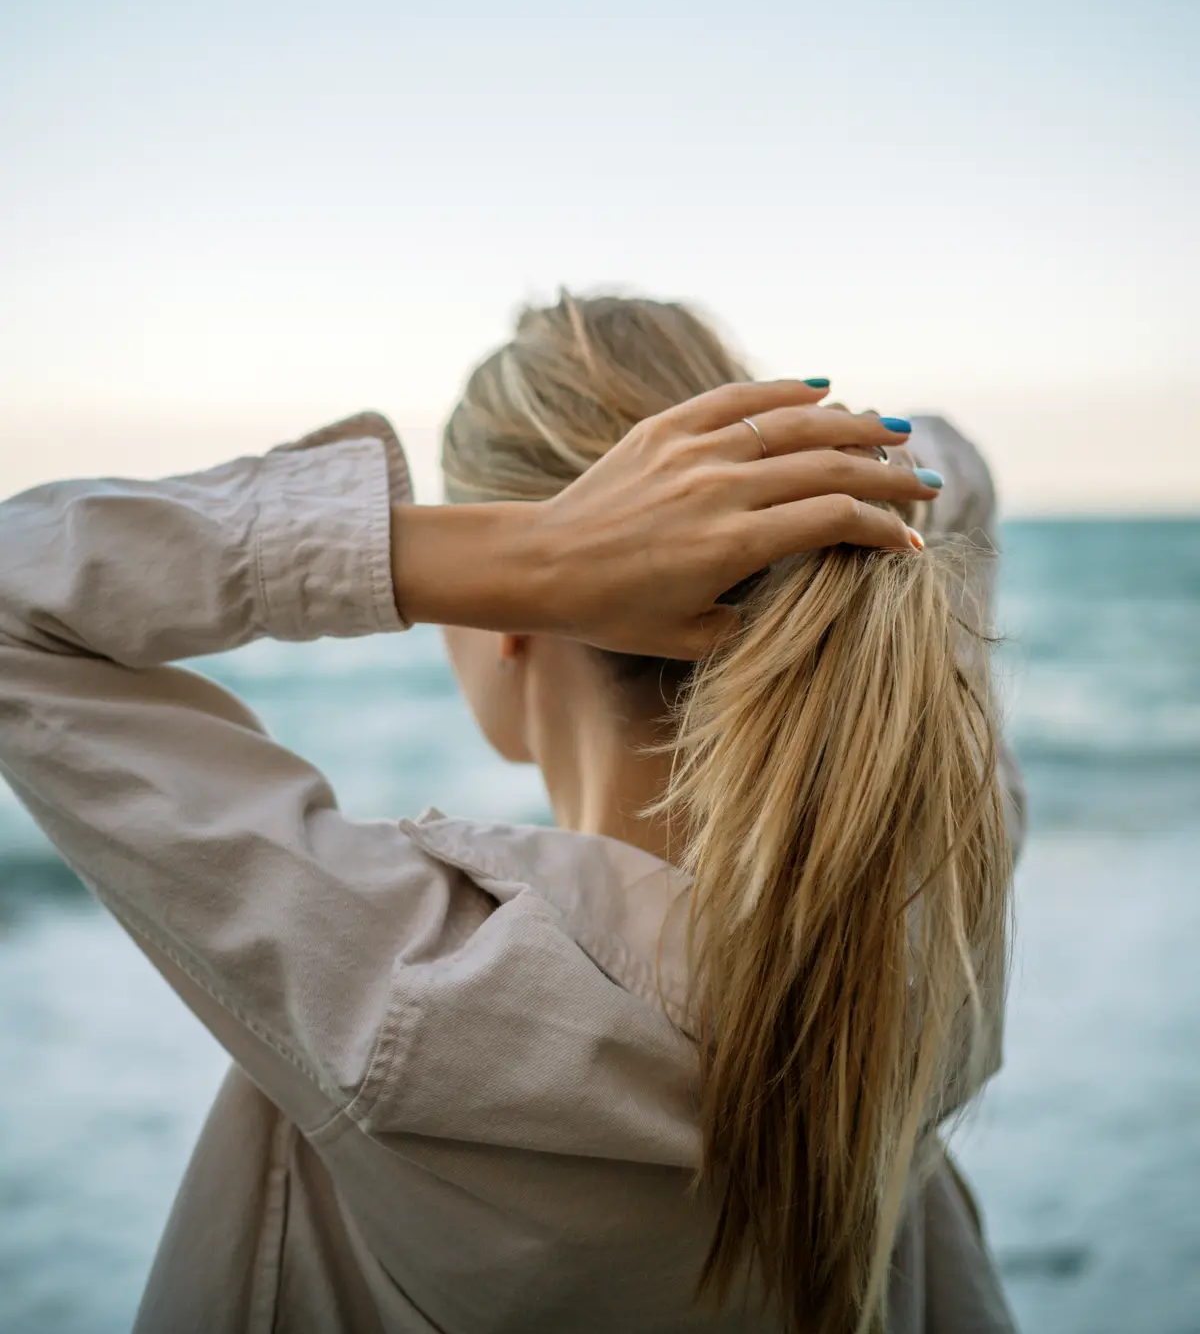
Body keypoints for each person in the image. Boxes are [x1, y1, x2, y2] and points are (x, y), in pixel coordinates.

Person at [0, 290, 1023, 1334]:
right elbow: (963, 483)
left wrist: (517, 557)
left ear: (517, 620)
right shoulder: (933, 905)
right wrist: (803, 471)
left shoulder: (413, 984)